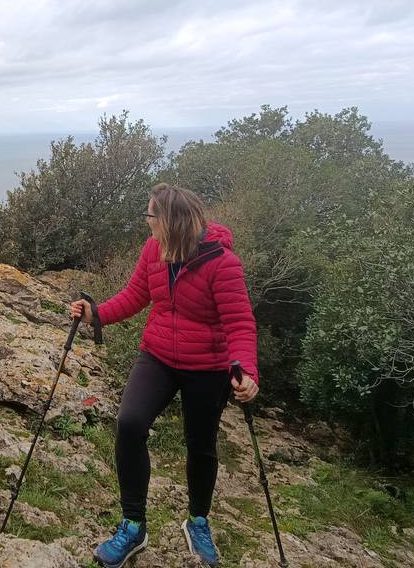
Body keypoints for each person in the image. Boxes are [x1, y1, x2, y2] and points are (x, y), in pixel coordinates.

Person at [71, 183, 259, 567]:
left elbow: (239, 323)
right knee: (129, 423)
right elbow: (135, 295)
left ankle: (198, 520)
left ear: (171, 221)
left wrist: (247, 372)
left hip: (207, 366)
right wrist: (96, 314)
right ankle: (133, 525)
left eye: (150, 216)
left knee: (201, 444)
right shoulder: (153, 250)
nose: (147, 223)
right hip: (157, 355)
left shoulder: (223, 263)